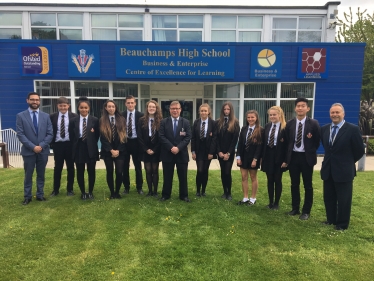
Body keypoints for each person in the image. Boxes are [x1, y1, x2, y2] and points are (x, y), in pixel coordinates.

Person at [320, 103, 364, 230]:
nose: (335, 115)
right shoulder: (325, 129)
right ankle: (331, 219)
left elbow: (359, 150)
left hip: (344, 170)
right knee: (329, 197)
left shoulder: (352, 129)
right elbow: (328, 148)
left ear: (343, 114)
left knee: (344, 199)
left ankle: (342, 223)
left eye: (337, 112)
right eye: (332, 113)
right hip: (328, 169)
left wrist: (348, 161)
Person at [284, 97, 320, 220]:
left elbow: (316, 141)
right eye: (298, 106)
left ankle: (306, 211)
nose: (300, 108)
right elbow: (288, 141)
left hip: (306, 158)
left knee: (307, 185)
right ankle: (295, 208)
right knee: (294, 184)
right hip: (293, 157)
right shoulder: (290, 124)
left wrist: (309, 151)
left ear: (307, 108)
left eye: (303, 106)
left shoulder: (313, 123)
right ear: (295, 108)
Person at [16, 92, 53, 205]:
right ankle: (27, 196)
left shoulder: (46, 116)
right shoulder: (21, 116)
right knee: (28, 175)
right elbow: (20, 134)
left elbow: (50, 134)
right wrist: (33, 147)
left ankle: (40, 195)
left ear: (39, 101)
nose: (35, 102)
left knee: (41, 174)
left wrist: (41, 146)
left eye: (37, 100)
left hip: (43, 151)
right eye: (32, 99)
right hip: (28, 151)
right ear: (27, 100)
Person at [159, 101, 191, 202]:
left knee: (183, 176)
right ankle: (165, 195)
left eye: (177, 108)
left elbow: (188, 137)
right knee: (167, 176)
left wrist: (178, 148)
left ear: (180, 109)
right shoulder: (164, 122)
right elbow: (161, 136)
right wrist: (171, 147)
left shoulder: (185, 122)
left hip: (181, 154)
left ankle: (184, 195)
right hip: (168, 153)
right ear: (169, 110)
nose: (175, 110)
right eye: (173, 109)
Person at [69, 97, 99, 200]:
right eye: (81, 107)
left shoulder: (95, 120)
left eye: (86, 107)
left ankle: (90, 192)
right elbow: (71, 136)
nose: (84, 110)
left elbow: (97, 135)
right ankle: (83, 192)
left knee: (91, 171)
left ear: (89, 108)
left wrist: (90, 142)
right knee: (80, 171)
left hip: (91, 148)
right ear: (78, 108)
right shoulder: (73, 121)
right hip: (79, 148)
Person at [49, 97, 78, 197]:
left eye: (64, 105)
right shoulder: (52, 117)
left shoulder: (74, 116)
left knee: (70, 167)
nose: (63, 107)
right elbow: (49, 131)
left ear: (68, 106)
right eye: (60, 105)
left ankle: (70, 189)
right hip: (58, 145)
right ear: (57, 106)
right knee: (58, 168)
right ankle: (55, 190)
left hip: (69, 145)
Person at [261, 106, 288, 210]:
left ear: (280, 115)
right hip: (268, 155)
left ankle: (276, 203)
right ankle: (270, 202)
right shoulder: (267, 126)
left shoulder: (285, 127)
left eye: (274, 114)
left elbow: (287, 145)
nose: (272, 116)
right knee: (270, 179)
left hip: (279, 157)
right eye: (270, 115)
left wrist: (286, 160)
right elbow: (264, 143)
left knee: (277, 179)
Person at [99, 100, 127, 199]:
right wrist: (111, 150)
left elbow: (123, 136)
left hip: (120, 150)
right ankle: (112, 192)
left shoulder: (122, 119)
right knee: (109, 171)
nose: (111, 108)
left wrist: (118, 150)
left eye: (113, 106)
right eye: (109, 107)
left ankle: (117, 192)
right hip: (108, 151)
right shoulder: (102, 120)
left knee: (119, 172)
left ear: (116, 108)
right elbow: (103, 138)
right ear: (106, 108)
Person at [236, 110, 264, 205]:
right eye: (248, 117)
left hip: (253, 157)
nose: (250, 119)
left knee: (253, 177)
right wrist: (238, 157)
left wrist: (255, 159)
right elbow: (240, 144)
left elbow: (259, 146)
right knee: (244, 177)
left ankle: (253, 198)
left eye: (252, 117)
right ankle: (245, 198)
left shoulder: (260, 130)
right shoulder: (244, 129)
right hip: (243, 156)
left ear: (256, 118)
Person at [137, 100, 162, 197]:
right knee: (148, 170)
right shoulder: (141, 120)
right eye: (149, 107)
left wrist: (154, 149)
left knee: (155, 170)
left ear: (156, 109)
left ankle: (155, 191)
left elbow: (161, 137)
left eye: (153, 107)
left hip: (156, 148)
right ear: (147, 108)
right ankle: (150, 191)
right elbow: (139, 136)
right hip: (145, 149)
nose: (151, 108)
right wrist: (146, 149)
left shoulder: (160, 121)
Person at [191, 103, 216, 197]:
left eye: (205, 111)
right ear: (199, 112)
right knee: (200, 170)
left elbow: (214, 139)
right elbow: (193, 138)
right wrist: (193, 152)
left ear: (208, 112)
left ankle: (203, 191)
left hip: (208, 150)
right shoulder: (196, 122)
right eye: (202, 111)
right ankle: (198, 190)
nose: (203, 112)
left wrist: (211, 152)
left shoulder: (213, 123)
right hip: (199, 150)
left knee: (205, 170)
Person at [216, 102, 240, 200]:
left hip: (229, 152)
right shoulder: (218, 122)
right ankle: (224, 192)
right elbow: (216, 139)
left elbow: (235, 140)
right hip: (220, 152)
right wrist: (219, 152)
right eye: (225, 109)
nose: (226, 111)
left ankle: (229, 192)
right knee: (222, 172)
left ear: (231, 110)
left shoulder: (235, 122)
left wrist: (229, 153)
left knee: (227, 172)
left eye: (228, 109)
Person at [121, 95, 144, 194]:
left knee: (138, 166)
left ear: (135, 103)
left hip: (136, 143)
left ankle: (139, 188)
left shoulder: (141, 115)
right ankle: (126, 187)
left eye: (132, 102)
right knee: (124, 166)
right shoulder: (121, 115)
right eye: (128, 103)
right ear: (125, 104)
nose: (130, 104)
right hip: (125, 142)